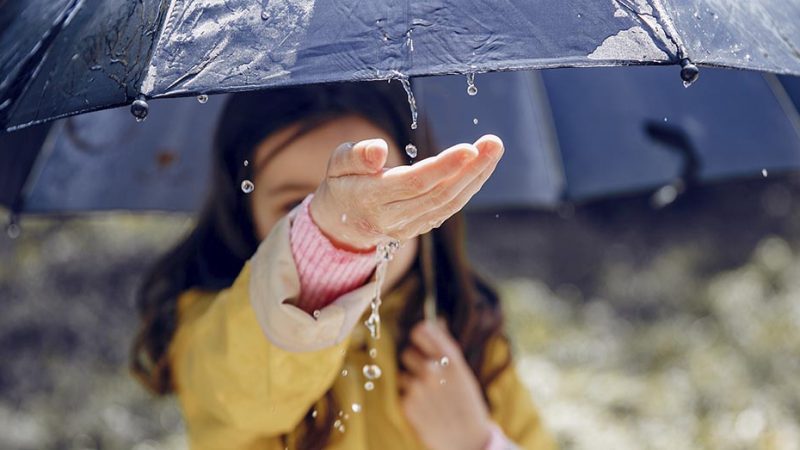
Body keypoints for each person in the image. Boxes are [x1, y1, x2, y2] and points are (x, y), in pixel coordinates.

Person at [131, 81, 554, 450]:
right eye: (299, 207)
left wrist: (478, 443)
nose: (353, 219)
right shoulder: (213, 328)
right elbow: (242, 389)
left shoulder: (469, 333)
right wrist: (329, 243)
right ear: (245, 212)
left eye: (380, 191)